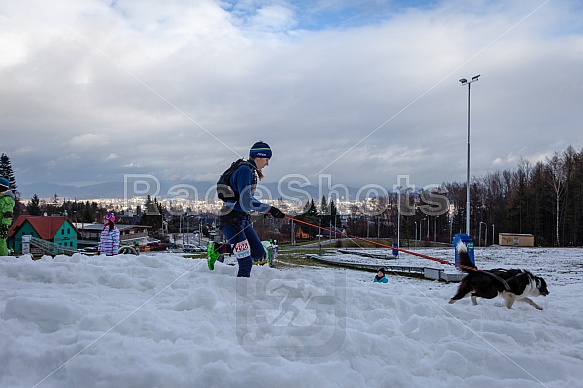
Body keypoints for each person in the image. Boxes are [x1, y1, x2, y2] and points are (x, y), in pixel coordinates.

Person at [210, 141, 286, 277]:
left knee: (258, 253)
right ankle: (240, 295)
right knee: (245, 263)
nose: (267, 164)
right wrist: (270, 209)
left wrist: (267, 210)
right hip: (231, 221)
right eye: (267, 159)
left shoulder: (250, 170)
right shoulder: (245, 170)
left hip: (241, 219)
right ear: (259, 157)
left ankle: (218, 249)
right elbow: (246, 201)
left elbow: (245, 200)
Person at [0, 177, 15, 256]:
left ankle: (3, 259)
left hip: (1, 225)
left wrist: (5, 225)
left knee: (1, 242)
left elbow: (8, 214)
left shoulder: (7, 199)